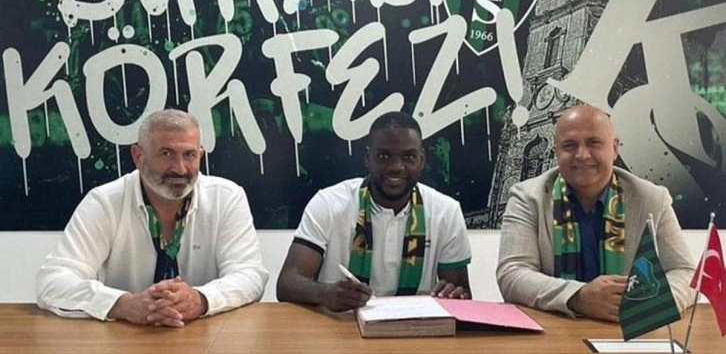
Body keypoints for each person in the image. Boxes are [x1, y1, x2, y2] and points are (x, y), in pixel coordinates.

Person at [36, 109, 268, 327]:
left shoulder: (226, 197)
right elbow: (53, 280)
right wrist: (123, 304)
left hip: (208, 336)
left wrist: (200, 299)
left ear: (201, 155)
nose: (180, 168)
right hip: (124, 338)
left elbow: (249, 275)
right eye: (166, 154)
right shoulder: (105, 201)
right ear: (138, 156)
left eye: (189, 155)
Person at [496, 105, 696, 322]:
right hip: (555, 329)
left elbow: (685, 272)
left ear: (615, 148)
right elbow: (512, 273)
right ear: (556, 152)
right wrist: (578, 297)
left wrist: (651, 304)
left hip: (628, 328)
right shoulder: (527, 198)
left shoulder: (651, 199)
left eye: (594, 143)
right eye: (569, 145)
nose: (582, 155)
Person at [277, 111, 472, 312]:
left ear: (421, 160)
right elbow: (287, 284)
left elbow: (462, 296)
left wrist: (453, 295)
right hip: (339, 324)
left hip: (415, 327)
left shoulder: (446, 212)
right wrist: (325, 293)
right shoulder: (328, 203)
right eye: (384, 156)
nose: (396, 167)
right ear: (367, 158)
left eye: (408, 157)